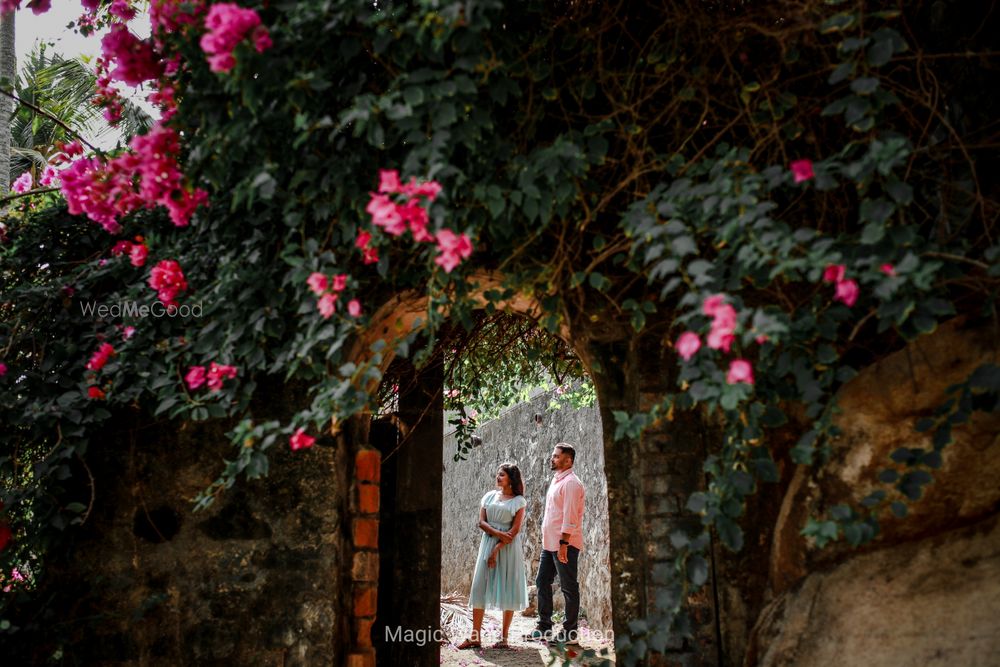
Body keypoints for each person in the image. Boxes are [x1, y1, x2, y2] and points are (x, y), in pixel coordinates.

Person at [456, 463, 528, 650]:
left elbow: (514, 531)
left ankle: (504, 638)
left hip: (508, 549)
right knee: (479, 586)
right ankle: (475, 636)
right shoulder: (488, 496)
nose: (498, 477)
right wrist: (498, 534)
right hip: (487, 543)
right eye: (498, 474)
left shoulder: (519, 501)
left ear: (511, 479)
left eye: (502, 475)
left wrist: (497, 549)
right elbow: (481, 522)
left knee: (509, 587)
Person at [526, 443, 585, 644]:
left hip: (564, 544)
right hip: (549, 544)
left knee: (568, 587)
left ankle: (571, 632)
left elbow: (570, 517)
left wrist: (563, 544)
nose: (552, 459)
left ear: (568, 460)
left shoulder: (571, 483)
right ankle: (544, 627)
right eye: (553, 455)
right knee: (542, 582)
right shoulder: (557, 480)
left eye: (556, 456)